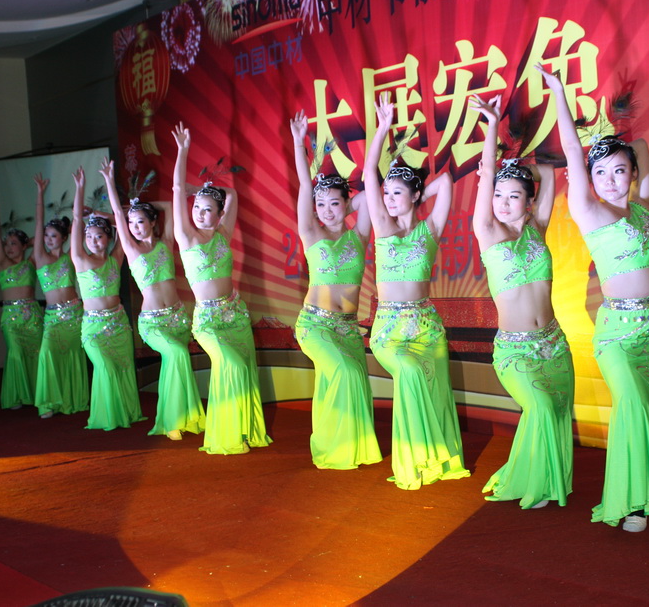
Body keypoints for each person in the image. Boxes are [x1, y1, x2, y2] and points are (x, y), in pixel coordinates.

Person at [538, 63, 649, 532]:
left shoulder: (644, 207)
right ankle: (631, 502)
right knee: (634, 406)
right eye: (599, 172)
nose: (608, 179)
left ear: (632, 174)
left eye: (618, 170)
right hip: (618, 335)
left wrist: (617, 140)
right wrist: (559, 93)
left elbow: (641, 148)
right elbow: (572, 151)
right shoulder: (589, 212)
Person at [469, 95, 574, 509]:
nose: (503, 202)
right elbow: (487, 179)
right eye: (498, 194)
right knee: (542, 408)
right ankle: (532, 482)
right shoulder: (487, 231)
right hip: (515, 351)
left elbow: (548, 172)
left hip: (554, 344)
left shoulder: (538, 227)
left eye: (514, 196)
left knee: (556, 411)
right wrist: (492, 128)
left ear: (529, 203)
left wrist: (522, 161)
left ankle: (544, 479)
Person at [363, 93, 470, 490]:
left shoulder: (431, 229)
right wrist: (383, 130)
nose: (388, 199)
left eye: (397, 192)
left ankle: (438, 457)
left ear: (414, 197)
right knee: (408, 374)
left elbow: (446, 182)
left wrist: (418, 185)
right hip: (389, 331)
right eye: (386, 193)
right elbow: (368, 174)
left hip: (427, 328)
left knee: (435, 387)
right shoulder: (383, 226)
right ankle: (414, 460)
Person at [171, 123, 270, 455]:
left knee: (244, 368)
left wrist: (204, 189)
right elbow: (176, 189)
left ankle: (243, 430)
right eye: (195, 208)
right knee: (231, 365)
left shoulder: (223, 233)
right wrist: (184, 152)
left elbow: (233, 195)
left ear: (217, 214)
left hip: (236, 313)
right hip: (208, 321)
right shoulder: (186, 237)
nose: (200, 214)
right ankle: (225, 433)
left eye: (207, 209)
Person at [290, 111, 382, 469]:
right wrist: (299, 142)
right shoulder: (311, 233)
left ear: (346, 203)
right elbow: (304, 186)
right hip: (315, 325)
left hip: (347, 327)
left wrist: (343, 191)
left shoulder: (359, 235)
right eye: (321, 204)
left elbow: (368, 196)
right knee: (345, 373)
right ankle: (335, 447)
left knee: (342, 379)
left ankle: (345, 445)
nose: (326, 210)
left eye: (335, 203)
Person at [100, 160, 205, 441]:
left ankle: (184, 417)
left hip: (177, 318)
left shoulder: (166, 242)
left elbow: (169, 207)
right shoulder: (131, 249)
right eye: (131, 223)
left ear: (152, 222)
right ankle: (171, 421)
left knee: (177, 360)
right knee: (177, 354)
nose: (134, 227)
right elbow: (118, 218)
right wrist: (111, 184)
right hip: (152, 323)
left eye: (140, 221)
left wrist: (142, 204)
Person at [71, 167, 146, 431]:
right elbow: (76, 221)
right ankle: (108, 416)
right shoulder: (80, 259)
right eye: (89, 237)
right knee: (106, 367)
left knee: (123, 367)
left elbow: (122, 222)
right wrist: (80, 189)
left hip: (118, 324)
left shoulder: (116, 257)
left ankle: (126, 413)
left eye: (99, 236)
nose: (93, 240)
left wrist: (105, 194)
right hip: (93, 327)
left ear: (109, 238)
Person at [31, 174, 88, 419]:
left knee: (73, 355)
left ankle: (72, 399)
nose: (48, 239)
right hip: (52, 317)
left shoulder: (71, 256)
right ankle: (48, 402)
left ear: (64, 238)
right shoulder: (40, 257)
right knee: (47, 353)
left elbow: (77, 221)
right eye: (46, 236)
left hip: (74, 314)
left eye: (53, 236)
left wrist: (79, 187)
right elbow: (38, 222)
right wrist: (40, 193)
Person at [0, 193, 42, 409]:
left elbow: (40, 236)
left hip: (32, 315)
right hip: (11, 317)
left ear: (24, 246)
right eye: (7, 243)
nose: (9, 247)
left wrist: (29, 242)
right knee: (16, 353)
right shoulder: (3, 263)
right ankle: (18, 395)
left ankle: (37, 394)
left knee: (35, 353)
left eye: (14, 243)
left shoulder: (31, 262)